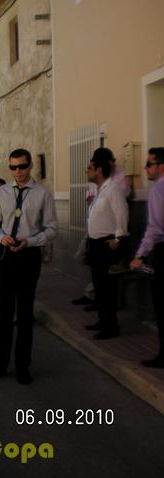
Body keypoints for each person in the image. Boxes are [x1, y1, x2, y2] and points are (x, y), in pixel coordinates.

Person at [0, 149, 58, 385]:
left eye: (22, 166)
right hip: (6, 255)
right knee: (3, 313)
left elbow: (52, 229)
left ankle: (23, 366)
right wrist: (0, 237)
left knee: (25, 313)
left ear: (30, 165)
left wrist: (31, 241)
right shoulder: (2, 192)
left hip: (29, 255)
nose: (18, 171)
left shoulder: (42, 194)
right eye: (13, 167)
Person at [83, 148, 129, 340]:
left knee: (107, 288)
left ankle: (111, 328)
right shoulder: (98, 191)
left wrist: (118, 240)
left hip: (107, 244)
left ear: (99, 170)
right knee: (99, 286)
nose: (87, 170)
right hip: (95, 244)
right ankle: (103, 320)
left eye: (90, 167)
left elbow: (122, 216)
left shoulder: (113, 190)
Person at [131, 147, 164, 367]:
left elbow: (155, 229)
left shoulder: (158, 190)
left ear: (162, 167)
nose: (145, 168)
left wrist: (140, 256)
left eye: (149, 164)